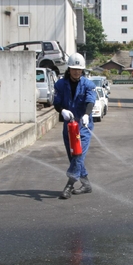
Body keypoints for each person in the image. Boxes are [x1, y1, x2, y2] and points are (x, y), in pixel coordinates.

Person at [53, 53, 97, 199]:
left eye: (79, 69)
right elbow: (56, 102)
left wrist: (86, 114)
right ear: (69, 69)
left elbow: (90, 101)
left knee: (78, 155)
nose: (77, 72)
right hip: (69, 126)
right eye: (74, 69)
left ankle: (69, 186)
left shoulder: (88, 84)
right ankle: (86, 184)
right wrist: (62, 110)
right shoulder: (60, 84)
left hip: (83, 126)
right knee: (74, 157)